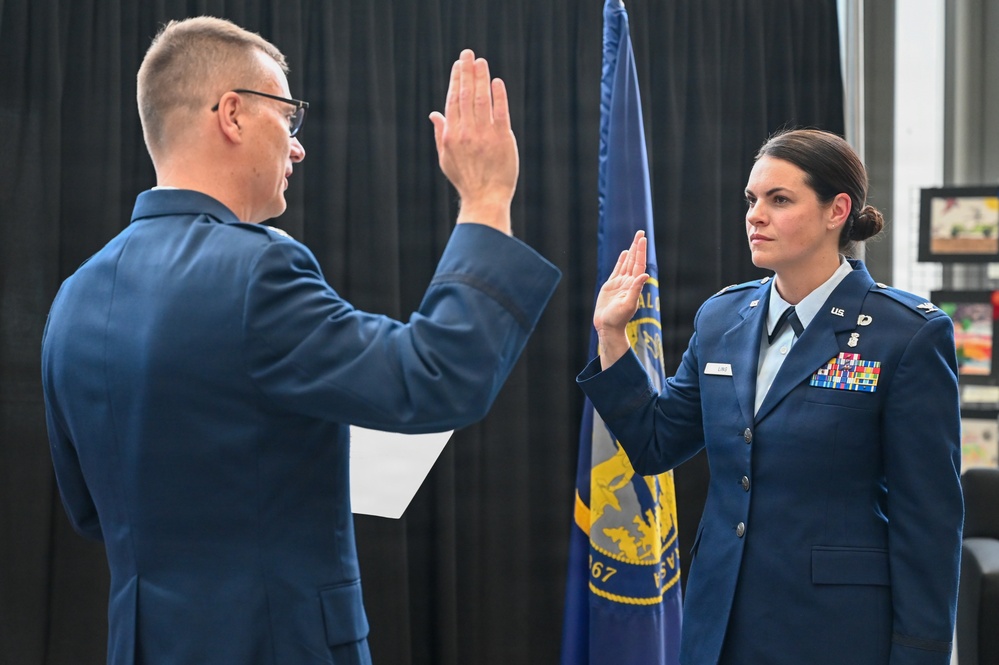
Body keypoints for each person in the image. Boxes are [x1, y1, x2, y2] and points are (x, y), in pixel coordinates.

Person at [41, 16, 560, 665]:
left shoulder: (72, 300)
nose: (297, 147)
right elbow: (437, 375)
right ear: (231, 114)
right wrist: (486, 198)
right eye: (288, 117)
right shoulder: (257, 270)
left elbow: (92, 510)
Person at [578, 128, 962, 665]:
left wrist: (920, 655)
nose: (755, 215)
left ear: (837, 211)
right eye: (752, 200)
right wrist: (611, 336)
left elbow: (930, 524)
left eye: (779, 200)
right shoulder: (721, 318)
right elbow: (656, 444)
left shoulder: (906, 335)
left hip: (836, 634)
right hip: (721, 623)